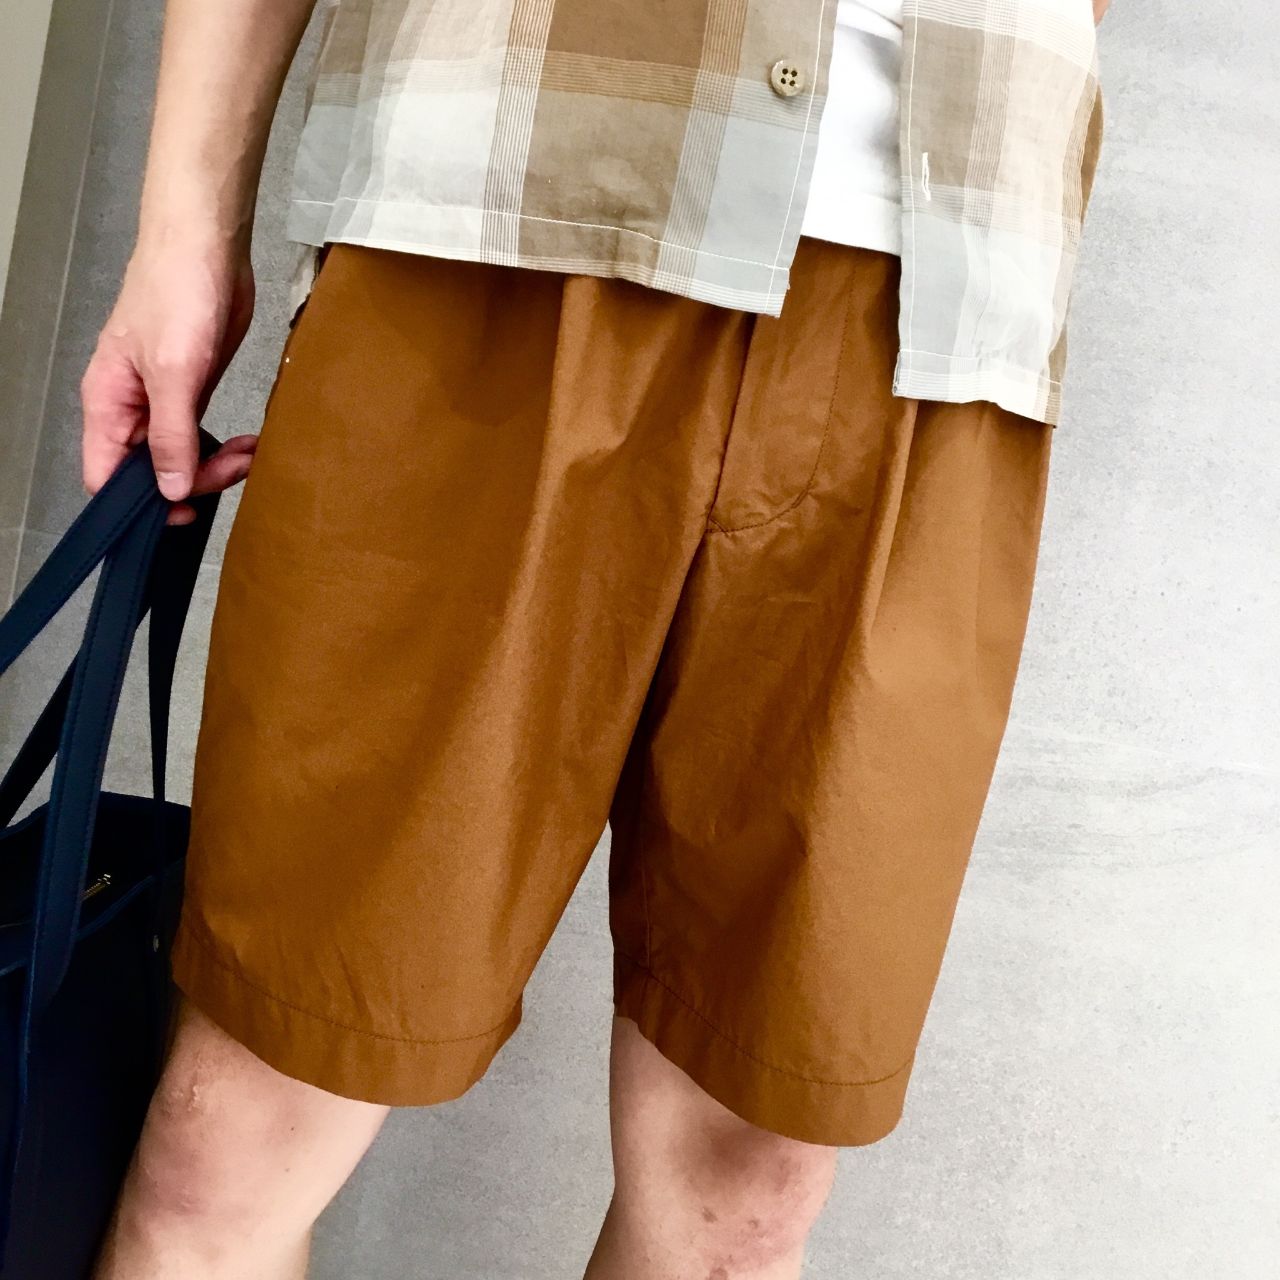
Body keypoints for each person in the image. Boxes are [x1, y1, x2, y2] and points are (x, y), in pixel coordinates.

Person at [80, 1, 1110, 1275]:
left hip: (942, 308)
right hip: (501, 202)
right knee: (249, 1111)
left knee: (743, 1191)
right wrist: (184, 229)